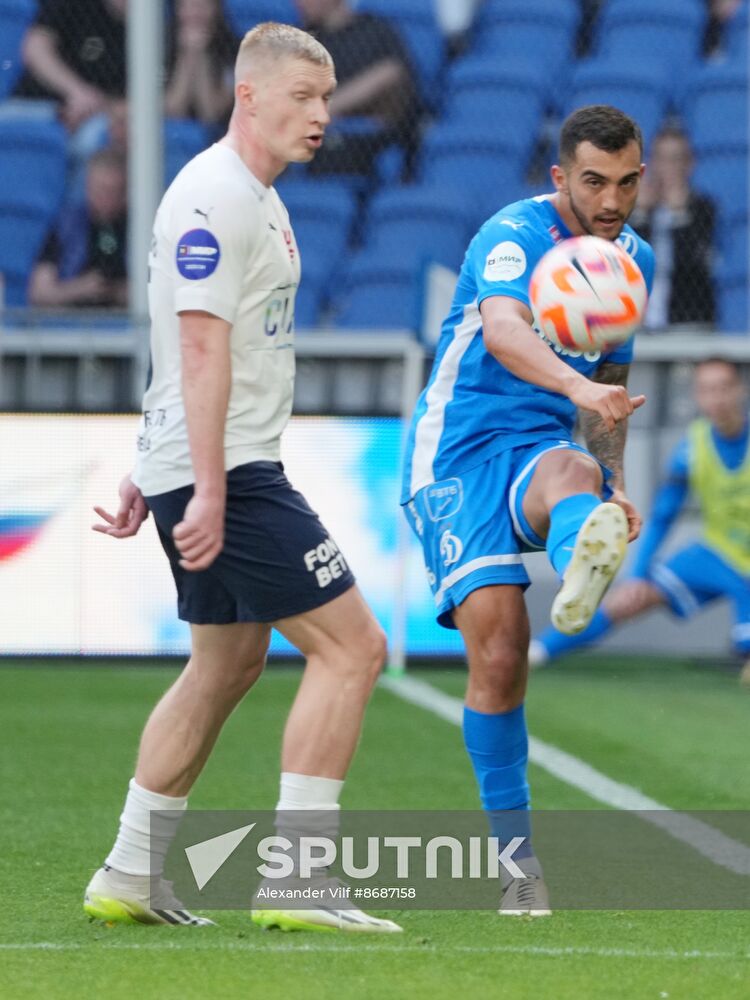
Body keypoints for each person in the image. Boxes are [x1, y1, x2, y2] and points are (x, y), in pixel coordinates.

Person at [84, 22, 400, 935]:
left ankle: (129, 872)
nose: (321, 114)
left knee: (225, 666)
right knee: (354, 649)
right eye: (303, 97)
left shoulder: (251, 195)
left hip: (202, 462)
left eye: (327, 98)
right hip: (229, 471)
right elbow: (196, 346)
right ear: (248, 95)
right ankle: (300, 878)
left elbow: (179, 342)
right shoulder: (217, 193)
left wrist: (155, 464)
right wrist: (208, 487)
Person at [401, 105, 655, 915]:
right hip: (456, 455)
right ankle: (517, 865)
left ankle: (585, 553)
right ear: (560, 177)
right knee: (503, 654)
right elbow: (506, 332)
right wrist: (578, 386)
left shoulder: (633, 259)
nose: (612, 201)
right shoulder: (511, 236)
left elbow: (610, 384)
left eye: (627, 183)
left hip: (540, 447)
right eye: (594, 182)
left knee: (577, 470)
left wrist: (615, 483)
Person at [531, 358, 750, 685]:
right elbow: (662, 516)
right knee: (629, 598)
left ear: (740, 390)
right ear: (697, 396)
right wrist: (636, 575)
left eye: (723, 388)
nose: (716, 398)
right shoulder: (693, 446)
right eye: (707, 389)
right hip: (718, 555)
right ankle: (536, 652)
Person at [294, 0, 420, 176]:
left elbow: (395, 78)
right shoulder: (305, 42)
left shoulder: (375, 30)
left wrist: (331, 107)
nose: (299, 3)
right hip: (318, 145)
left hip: (378, 139)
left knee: (388, 74)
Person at [630, 127, 716, 330]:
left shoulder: (702, 208)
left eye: (675, 159)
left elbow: (693, 265)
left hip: (688, 320)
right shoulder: (633, 209)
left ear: (689, 164)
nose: (668, 168)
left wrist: (679, 216)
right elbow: (626, 260)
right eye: (661, 159)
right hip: (637, 323)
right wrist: (640, 216)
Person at [29, 148, 128, 308]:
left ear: (126, 193)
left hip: (128, 319)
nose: (105, 198)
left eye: (113, 191)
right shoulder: (65, 226)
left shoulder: (140, 230)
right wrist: (79, 289)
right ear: (88, 187)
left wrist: (122, 292)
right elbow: (39, 292)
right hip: (72, 319)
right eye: (100, 190)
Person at [15, 0, 127, 132]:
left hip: (103, 116)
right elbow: (36, 48)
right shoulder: (71, 5)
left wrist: (105, 107)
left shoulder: (148, 26)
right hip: (39, 104)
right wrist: (78, 93)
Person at [164, 0, 237, 129]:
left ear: (215, 8)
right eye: (188, 4)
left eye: (202, 4)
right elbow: (173, 109)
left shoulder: (231, 46)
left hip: (218, 132)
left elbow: (211, 113)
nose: (195, 12)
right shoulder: (161, 43)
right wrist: (188, 55)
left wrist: (201, 53)